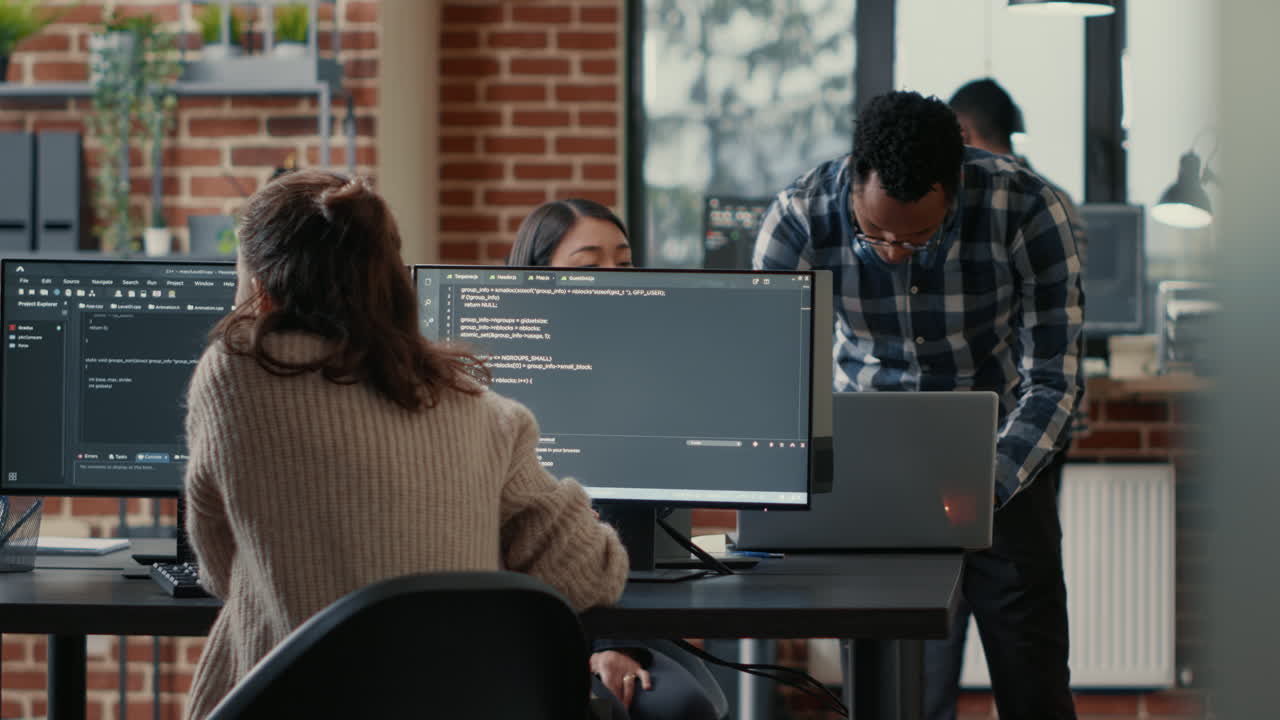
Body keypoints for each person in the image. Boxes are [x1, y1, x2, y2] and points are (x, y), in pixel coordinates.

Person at [183, 171, 630, 719]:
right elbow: (585, 575)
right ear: (391, 277)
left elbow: (219, 566)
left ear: (259, 288)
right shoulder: (488, 416)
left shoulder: (231, 375)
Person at [754, 91, 1084, 720]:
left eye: (919, 238)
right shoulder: (799, 216)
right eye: (874, 233)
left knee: (1033, 681)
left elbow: (1054, 380)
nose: (893, 252)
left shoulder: (1028, 208)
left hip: (1002, 461)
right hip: (870, 469)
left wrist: (985, 485)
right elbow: (772, 376)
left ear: (955, 189)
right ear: (854, 180)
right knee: (900, 693)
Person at [508, 198, 726, 720]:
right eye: (589, 265)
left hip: (625, 618)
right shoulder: (501, 384)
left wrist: (613, 643)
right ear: (537, 277)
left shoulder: (645, 382)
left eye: (623, 263)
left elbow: (625, 540)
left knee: (681, 705)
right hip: (525, 623)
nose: (614, 278)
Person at [932, 77, 1088, 720]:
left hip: (1012, 448)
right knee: (1023, 639)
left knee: (938, 648)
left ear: (962, 134)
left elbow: (1052, 367)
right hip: (1030, 444)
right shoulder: (1060, 199)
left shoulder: (1030, 203)